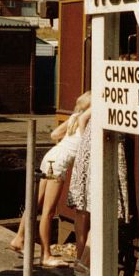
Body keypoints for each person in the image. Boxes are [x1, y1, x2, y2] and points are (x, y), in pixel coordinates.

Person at [9, 91, 91, 267]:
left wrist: (69, 140)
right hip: (58, 164)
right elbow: (84, 141)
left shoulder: (74, 117)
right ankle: (45, 255)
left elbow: (54, 135)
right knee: (48, 212)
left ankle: (19, 238)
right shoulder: (85, 120)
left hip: (50, 156)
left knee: (34, 203)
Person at [66, 108, 131, 274]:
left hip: (90, 147)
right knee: (105, 208)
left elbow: (82, 119)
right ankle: (85, 262)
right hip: (106, 147)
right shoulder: (116, 93)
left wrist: (86, 145)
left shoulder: (103, 92)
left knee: (85, 208)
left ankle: (81, 260)